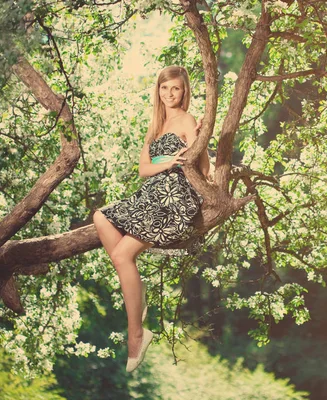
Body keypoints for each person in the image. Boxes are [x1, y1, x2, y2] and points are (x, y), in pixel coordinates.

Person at [92, 65, 210, 372]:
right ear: (157, 91)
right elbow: (144, 169)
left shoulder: (187, 120)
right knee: (100, 217)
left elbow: (204, 169)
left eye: (176, 89)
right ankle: (135, 293)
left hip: (174, 195)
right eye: (164, 88)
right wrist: (169, 160)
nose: (170, 94)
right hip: (151, 191)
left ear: (185, 92)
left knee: (120, 254)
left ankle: (136, 334)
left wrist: (194, 150)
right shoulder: (156, 123)